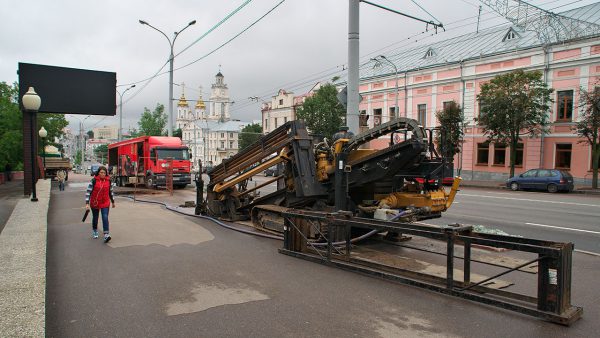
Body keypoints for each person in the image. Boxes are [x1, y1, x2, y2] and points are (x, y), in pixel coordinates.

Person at [85, 166, 115, 243]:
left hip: (105, 202)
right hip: (95, 202)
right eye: (101, 172)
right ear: (98, 173)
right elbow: (88, 192)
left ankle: (106, 235)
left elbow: (110, 191)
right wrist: (87, 203)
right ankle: (95, 230)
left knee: (105, 216)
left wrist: (113, 201)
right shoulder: (94, 180)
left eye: (104, 173)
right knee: (95, 217)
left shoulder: (109, 181)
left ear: (106, 173)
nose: (102, 174)